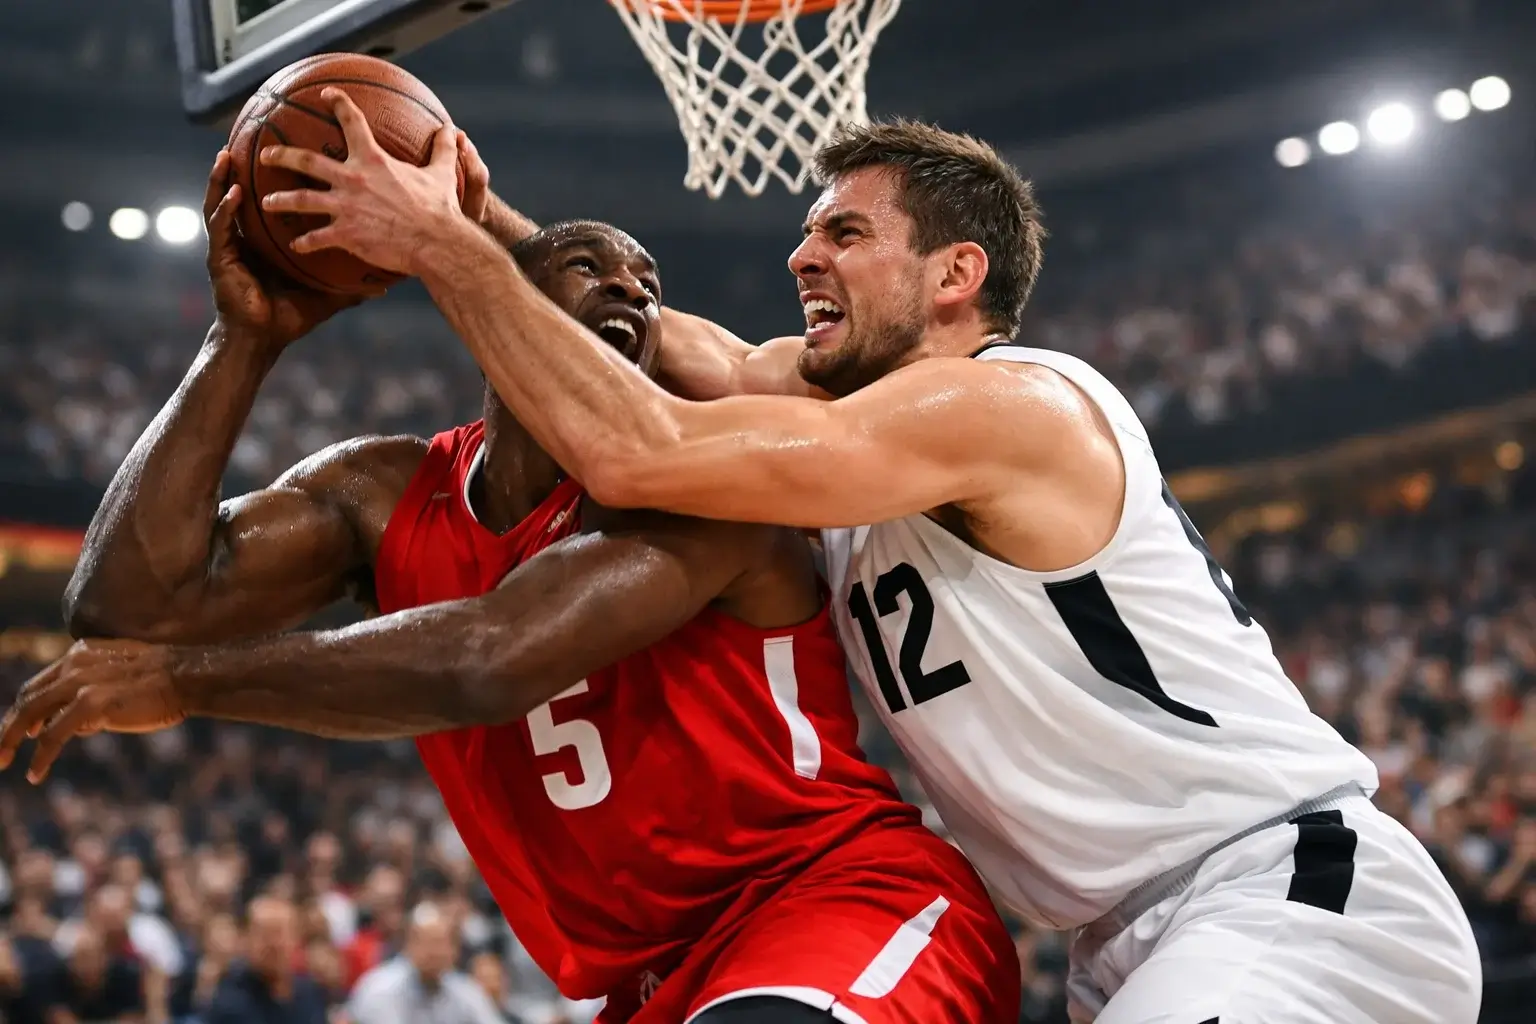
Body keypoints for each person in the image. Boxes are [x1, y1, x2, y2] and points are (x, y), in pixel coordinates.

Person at [228, 90, 1484, 1023]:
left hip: (1284, 885)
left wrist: (438, 249)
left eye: (843, 233)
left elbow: (633, 445)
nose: (799, 256)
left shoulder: (1008, 404)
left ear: (954, 274)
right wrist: (476, 204)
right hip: (1125, 939)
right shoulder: (846, 417)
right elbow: (690, 351)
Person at [0, 150, 1018, 1024]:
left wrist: (184, 682)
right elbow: (128, 605)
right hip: (656, 982)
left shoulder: (707, 486)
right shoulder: (381, 490)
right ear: (503, 313)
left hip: (835, 903)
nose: (631, 291)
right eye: (588, 267)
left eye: (647, 283)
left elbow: (491, 657)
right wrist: (244, 341)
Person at [348, 903, 504, 1024]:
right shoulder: (380, 988)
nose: (436, 951)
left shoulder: (464, 990)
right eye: (428, 942)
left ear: (455, 951)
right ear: (409, 944)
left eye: (443, 943)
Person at [203, 896, 328, 1024]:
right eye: (265, 934)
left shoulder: (310, 991)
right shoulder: (230, 999)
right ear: (246, 939)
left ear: (296, 939)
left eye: (281, 933)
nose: (274, 944)